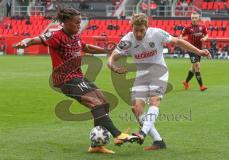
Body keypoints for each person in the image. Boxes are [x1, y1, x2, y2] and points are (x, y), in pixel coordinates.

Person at [14, 7, 139, 154]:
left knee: (104, 103)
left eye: (80, 23)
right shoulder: (55, 35)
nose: (79, 26)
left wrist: (107, 51)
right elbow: (36, 39)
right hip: (65, 79)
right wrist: (25, 42)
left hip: (77, 77)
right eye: (76, 23)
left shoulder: (75, 36)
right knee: (96, 103)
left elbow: (86, 47)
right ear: (66, 22)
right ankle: (118, 135)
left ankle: (96, 145)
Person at [108, 13, 211, 151]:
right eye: (135, 30)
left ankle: (143, 133)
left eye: (141, 30)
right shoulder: (127, 39)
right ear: (131, 27)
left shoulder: (156, 33)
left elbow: (178, 41)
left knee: (154, 101)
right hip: (141, 75)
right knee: (136, 109)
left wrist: (199, 52)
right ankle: (158, 141)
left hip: (159, 72)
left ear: (147, 27)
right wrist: (112, 66)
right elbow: (112, 57)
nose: (138, 33)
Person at [180, 12, 209, 91]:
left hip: (199, 50)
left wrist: (205, 38)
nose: (194, 19)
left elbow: (207, 35)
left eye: (195, 18)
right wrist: (183, 41)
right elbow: (180, 36)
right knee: (197, 66)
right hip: (191, 49)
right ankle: (201, 86)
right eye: (192, 18)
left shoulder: (202, 27)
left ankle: (186, 82)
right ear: (191, 18)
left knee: (193, 68)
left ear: (198, 18)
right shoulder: (187, 27)